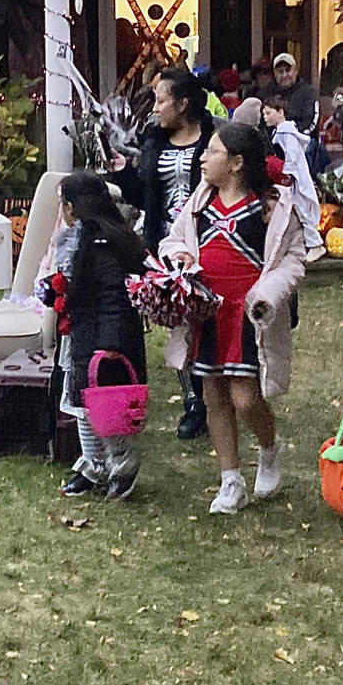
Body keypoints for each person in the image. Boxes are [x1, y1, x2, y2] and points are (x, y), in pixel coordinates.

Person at [159, 123, 309, 513]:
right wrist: (180, 257)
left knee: (244, 396)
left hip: (247, 313)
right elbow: (174, 239)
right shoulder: (199, 204)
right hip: (207, 309)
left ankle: (270, 448)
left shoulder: (271, 208)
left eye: (213, 151)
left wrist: (268, 294)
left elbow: (293, 260)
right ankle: (230, 481)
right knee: (213, 394)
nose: (203, 158)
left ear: (238, 163)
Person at [110, 67, 214, 439]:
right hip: (167, 246)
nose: (155, 108)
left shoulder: (214, 138)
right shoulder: (153, 143)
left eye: (161, 100)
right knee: (179, 324)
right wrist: (123, 173)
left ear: (183, 103)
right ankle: (193, 402)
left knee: (209, 321)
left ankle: (217, 389)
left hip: (209, 241)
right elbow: (144, 198)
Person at [46, 171, 149, 501]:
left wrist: (111, 342)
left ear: (74, 207)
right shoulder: (81, 238)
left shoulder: (103, 243)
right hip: (82, 334)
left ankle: (122, 463)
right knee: (82, 405)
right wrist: (55, 292)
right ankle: (94, 463)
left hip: (103, 341)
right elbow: (78, 285)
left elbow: (112, 295)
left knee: (107, 408)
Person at [261, 92, 329, 263]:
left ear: (280, 112)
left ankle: (315, 244)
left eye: (268, 113)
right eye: (264, 113)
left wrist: (287, 174)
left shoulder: (286, 133)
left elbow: (292, 156)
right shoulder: (281, 132)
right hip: (292, 180)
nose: (265, 117)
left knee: (301, 210)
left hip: (295, 181)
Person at [259, 52, 317, 133]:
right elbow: (261, 122)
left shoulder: (308, 91)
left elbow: (311, 122)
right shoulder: (267, 92)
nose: (284, 75)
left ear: (296, 71)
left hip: (303, 139)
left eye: (288, 70)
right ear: (275, 74)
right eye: (280, 71)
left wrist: (291, 133)